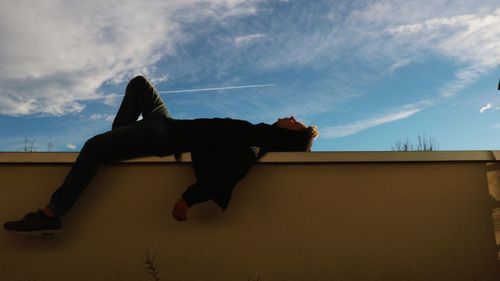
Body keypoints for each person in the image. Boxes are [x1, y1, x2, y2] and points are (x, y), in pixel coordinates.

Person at [3, 75, 319, 236]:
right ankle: (118, 141)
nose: (292, 116)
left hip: (163, 136)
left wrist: (188, 199)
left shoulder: (257, 143)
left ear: (291, 135)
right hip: (165, 123)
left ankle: (51, 214)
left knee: (92, 148)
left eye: (297, 122)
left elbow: (232, 172)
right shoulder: (257, 132)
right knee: (139, 83)